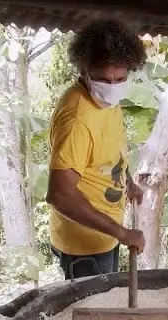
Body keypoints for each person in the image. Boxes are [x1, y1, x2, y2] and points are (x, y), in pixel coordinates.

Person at [45, 20, 148, 280]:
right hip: (83, 248)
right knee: (90, 315)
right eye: (103, 79)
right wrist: (122, 233)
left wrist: (129, 182)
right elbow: (60, 194)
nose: (112, 86)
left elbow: (112, 149)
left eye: (120, 79)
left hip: (107, 235)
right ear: (84, 71)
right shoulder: (77, 118)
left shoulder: (108, 100)